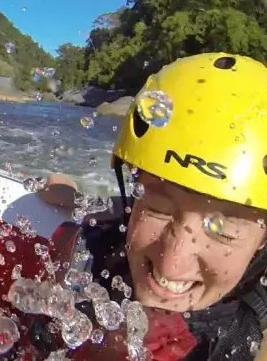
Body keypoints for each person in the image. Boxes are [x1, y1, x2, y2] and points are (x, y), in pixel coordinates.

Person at [28, 53, 267, 360]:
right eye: (159, 208)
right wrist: (64, 188)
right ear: (135, 199)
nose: (172, 265)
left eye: (223, 230)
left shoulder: (252, 333)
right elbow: (88, 199)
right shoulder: (104, 235)